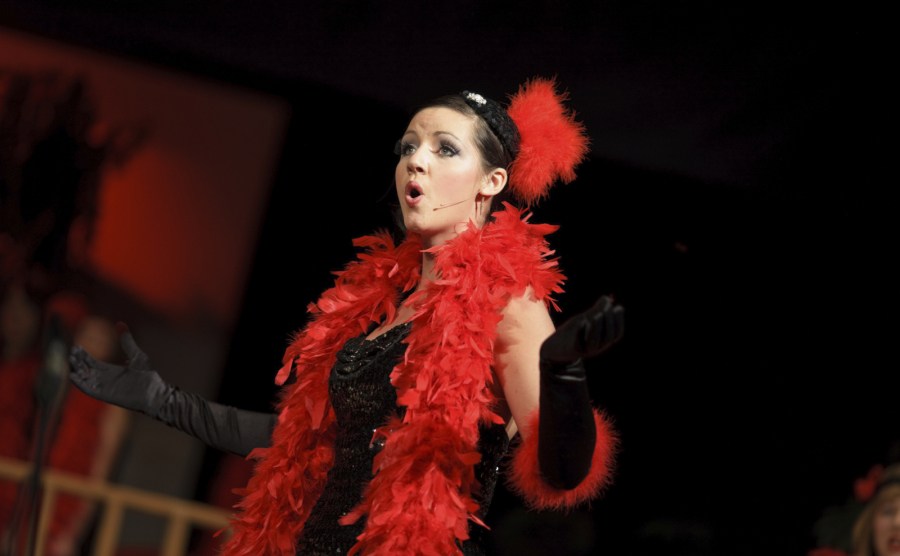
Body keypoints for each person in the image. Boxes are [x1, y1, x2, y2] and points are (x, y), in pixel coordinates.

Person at [68, 78, 624, 556]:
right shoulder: (382, 302)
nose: (417, 160)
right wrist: (164, 401)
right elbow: (301, 444)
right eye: (409, 146)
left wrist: (564, 374)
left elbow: (561, 474)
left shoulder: (509, 303)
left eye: (445, 149)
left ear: (492, 182)